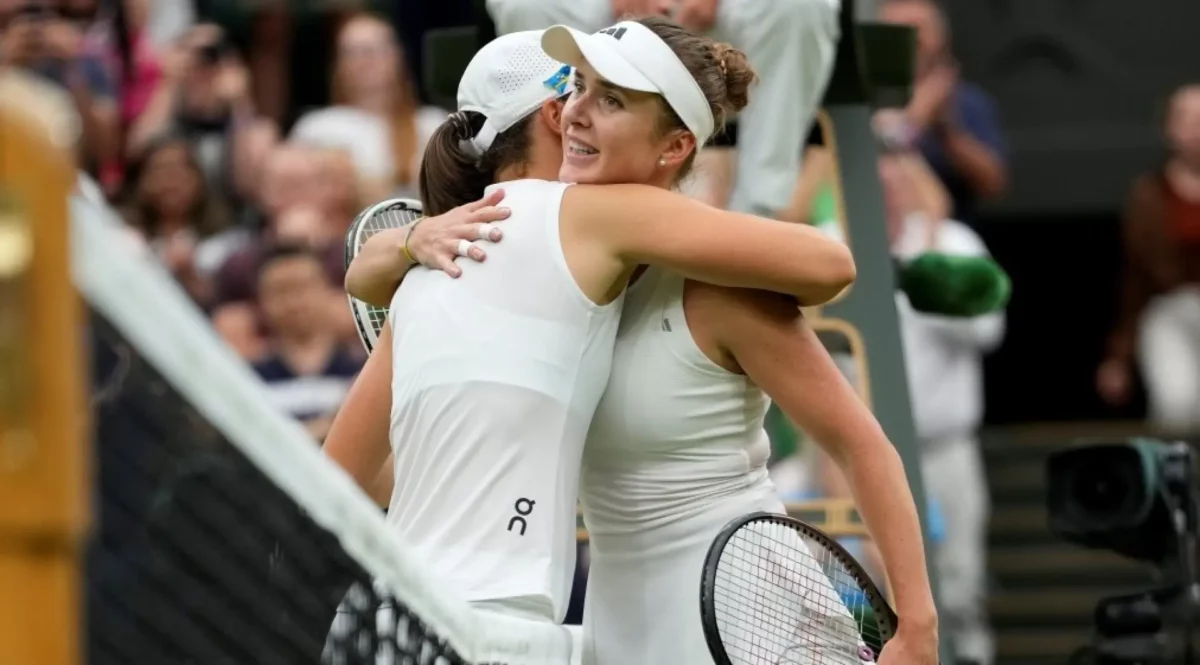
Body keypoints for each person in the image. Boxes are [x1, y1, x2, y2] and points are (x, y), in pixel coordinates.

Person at [339, 19, 937, 665]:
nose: (576, 114)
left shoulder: (720, 291)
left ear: (675, 145)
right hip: (613, 627)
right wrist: (403, 245)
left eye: (612, 100)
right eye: (580, 90)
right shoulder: (543, 283)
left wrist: (918, 624)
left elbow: (861, 440)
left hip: (753, 614)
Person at [1098, 83, 1200, 432]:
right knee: (1175, 403)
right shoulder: (1149, 195)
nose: (1197, 127)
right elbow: (1134, 278)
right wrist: (1119, 357)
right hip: (1170, 310)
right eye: (1187, 118)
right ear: (1169, 127)